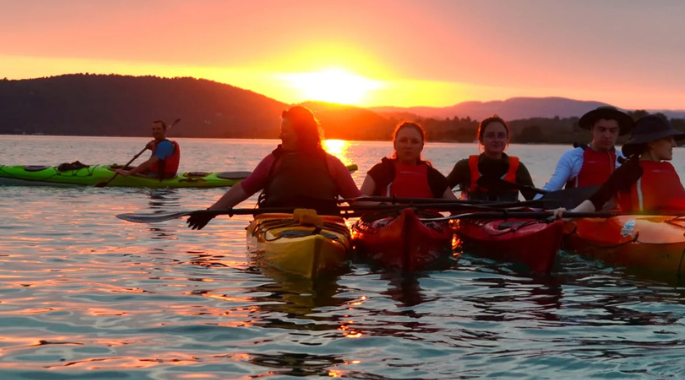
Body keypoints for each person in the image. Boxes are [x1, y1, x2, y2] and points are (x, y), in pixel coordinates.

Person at [187, 106, 359, 228]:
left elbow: (357, 201)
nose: (279, 135)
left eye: (284, 131)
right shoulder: (273, 161)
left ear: (301, 133)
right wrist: (211, 211)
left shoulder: (331, 163)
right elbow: (243, 189)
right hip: (276, 223)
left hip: (325, 225)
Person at [562, 113, 685, 216]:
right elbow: (596, 201)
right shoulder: (631, 169)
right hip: (637, 232)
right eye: (669, 139)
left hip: (676, 231)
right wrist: (566, 215)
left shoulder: (668, 170)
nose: (674, 144)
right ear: (652, 142)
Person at [445, 115, 539, 202]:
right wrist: (457, 207)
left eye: (501, 135)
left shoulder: (518, 168)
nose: (496, 140)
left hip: (509, 218)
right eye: (490, 135)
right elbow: (441, 190)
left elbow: (535, 201)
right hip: (473, 217)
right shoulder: (464, 167)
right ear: (481, 140)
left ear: (507, 139)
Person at [542, 106, 634, 192]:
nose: (607, 136)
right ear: (592, 129)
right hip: (576, 209)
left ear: (618, 131)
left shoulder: (624, 161)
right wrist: (532, 208)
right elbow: (551, 188)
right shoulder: (572, 156)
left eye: (612, 131)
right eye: (601, 130)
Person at [360, 121, 458, 201]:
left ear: (421, 147)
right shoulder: (380, 170)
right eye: (403, 140)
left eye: (414, 142)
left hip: (425, 222)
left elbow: (457, 208)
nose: (408, 146)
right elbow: (358, 203)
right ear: (395, 144)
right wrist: (384, 206)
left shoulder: (433, 176)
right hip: (387, 220)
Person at [116, 120, 180, 179]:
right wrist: (153, 147)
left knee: (131, 171)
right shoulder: (159, 143)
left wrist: (128, 173)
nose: (155, 131)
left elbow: (149, 163)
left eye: (158, 129)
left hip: (160, 177)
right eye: (153, 129)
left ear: (164, 131)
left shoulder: (164, 145)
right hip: (156, 173)